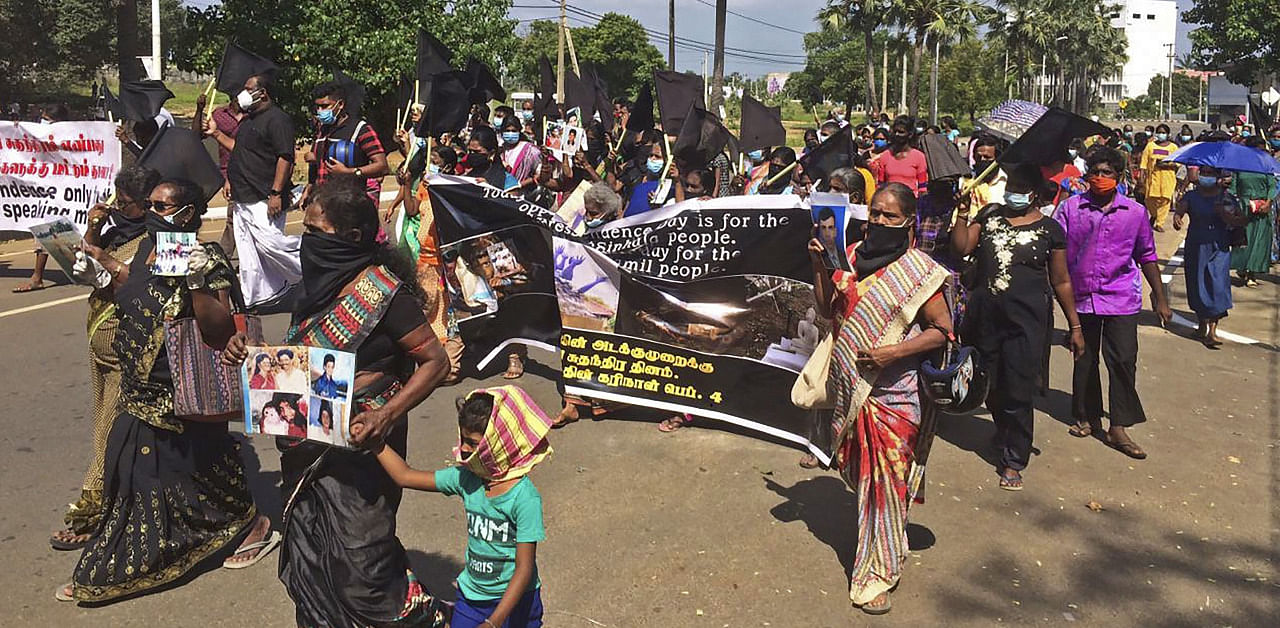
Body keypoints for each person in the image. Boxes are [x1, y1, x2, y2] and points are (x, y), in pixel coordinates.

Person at [222, 174, 451, 627]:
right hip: (309, 437)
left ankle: (415, 615)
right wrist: (245, 352)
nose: (304, 241)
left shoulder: (385, 295)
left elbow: (435, 363)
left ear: (350, 238)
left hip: (365, 442)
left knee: (362, 557)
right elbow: (302, 355)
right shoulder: (316, 285)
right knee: (311, 546)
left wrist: (386, 415)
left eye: (314, 231)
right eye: (304, 230)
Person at [58, 178, 276, 603]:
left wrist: (196, 283)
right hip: (137, 384)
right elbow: (134, 286)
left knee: (176, 469)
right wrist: (99, 258)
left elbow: (218, 330)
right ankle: (241, 520)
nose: (154, 212)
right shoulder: (146, 248)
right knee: (164, 473)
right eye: (151, 205)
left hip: (177, 388)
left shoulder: (205, 258)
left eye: (163, 206)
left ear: (188, 214)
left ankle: (238, 528)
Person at [806, 182, 953, 614]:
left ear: (909, 221)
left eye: (890, 215)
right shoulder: (850, 258)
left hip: (894, 394)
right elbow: (825, 309)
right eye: (875, 213)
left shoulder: (920, 272)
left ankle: (876, 574)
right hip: (850, 385)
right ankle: (888, 532)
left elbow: (942, 330)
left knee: (883, 484)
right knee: (862, 479)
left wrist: (894, 351)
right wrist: (819, 267)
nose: (880, 221)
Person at [952, 164, 1085, 490]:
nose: (1015, 191)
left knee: (1019, 389)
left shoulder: (1050, 230)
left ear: (1036, 194)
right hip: (984, 318)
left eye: (1022, 187)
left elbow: (1061, 280)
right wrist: (961, 213)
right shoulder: (990, 216)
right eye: (1012, 184)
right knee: (990, 386)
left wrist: (1075, 325)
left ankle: (1014, 459)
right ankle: (1002, 429)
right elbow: (961, 248)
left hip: (1027, 322)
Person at [51, 165, 160, 551]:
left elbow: (141, 286)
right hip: (98, 332)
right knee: (103, 414)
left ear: (145, 205)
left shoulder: (155, 238)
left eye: (125, 203)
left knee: (107, 427)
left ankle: (95, 505)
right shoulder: (115, 229)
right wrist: (93, 228)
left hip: (125, 342)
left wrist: (108, 262)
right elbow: (80, 265)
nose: (117, 206)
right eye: (115, 199)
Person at [377, 386, 549, 628]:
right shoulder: (466, 478)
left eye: (473, 443)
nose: (465, 449)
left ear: (498, 445)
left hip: (516, 602)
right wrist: (375, 444)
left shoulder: (524, 498)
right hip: (472, 599)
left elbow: (524, 567)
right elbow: (404, 476)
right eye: (463, 439)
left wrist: (494, 621)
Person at [1055, 147, 1172, 460]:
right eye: (1096, 172)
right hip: (1080, 297)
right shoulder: (1071, 209)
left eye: (1107, 173)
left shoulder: (1134, 213)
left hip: (1121, 297)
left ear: (1119, 178)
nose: (1100, 178)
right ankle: (1087, 415)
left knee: (1122, 359)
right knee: (1084, 356)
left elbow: (1146, 254)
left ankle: (1119, 425)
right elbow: (1056, 251)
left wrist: (1160, 296)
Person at [205, 73, 301, 309]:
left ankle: (313, 267)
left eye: (248, 89)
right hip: (242, 196)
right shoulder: (248, 121)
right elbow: (240, 150)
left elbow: (285, 157)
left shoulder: (277, 120)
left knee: (272, 244)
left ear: (263, 93)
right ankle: (257, 297)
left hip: (263, 196)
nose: (243, 94)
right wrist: (217, 134)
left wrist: (276, 193)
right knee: (249, 252)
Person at [1175, 165, 1246, 347]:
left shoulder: (1226, 198)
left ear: (1217, 176)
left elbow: (1240, 220)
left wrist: (1225, 215)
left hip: (1218, 247)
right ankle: (1201, 325)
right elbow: (1181, 210)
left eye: (1209, 174)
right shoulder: (1192, 196)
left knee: (1217, 284)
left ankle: (1212, 331)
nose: (1205, 176)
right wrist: (1178, 217)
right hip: (1196, 246)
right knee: (1197, 283)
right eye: (1203, 173)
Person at [301, 81, 390, 206]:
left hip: (350, 205)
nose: (320, 111)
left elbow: (382, 167)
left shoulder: (360, 129)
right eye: (318, 107)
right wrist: (309, 189)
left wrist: (350, 172)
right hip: (323, 203)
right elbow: (318, 165)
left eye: (325, 106)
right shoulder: (322, 130)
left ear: (340, 104)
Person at [1229, 136, 1277, 286]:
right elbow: (1233, 188)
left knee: (1259, 242)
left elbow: (1272, 186)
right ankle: (1242, 267)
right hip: (1243, 208)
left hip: (1262, 208)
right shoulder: (1239, 166)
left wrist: (1268, 202)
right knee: (1244, 240)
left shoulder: (1267, 166)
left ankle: (1252, 272)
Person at [869, 117, 928, 195]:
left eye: (901, 132)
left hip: (910, 202)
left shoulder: (919, 157)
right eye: (895, 131)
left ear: (910, 134)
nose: (897, 134)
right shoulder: (885, 156)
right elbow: (880, 185)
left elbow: (922, 188)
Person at [1138, 123, 1178, 231]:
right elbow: (1144, 163)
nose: (1161, 134)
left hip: (1167, 178)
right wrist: (1141, 178)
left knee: (1165, 200)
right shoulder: (1150, 146)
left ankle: (1159, 223)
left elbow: (1178, 163)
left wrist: (1167, 164)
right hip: (1153, 178)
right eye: (1159, 132)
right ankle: (1154, 214)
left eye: (1163, 133)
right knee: (1149, 199)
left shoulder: (1173, 147)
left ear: (1168, 134)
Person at [500, 117, 542, 194]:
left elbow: (539, 174)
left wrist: (519, 185)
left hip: (522, 195)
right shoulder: (500, 150)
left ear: (519, 131)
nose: (510, 133)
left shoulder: (531, 151)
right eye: (507, 131)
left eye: (513, 131)